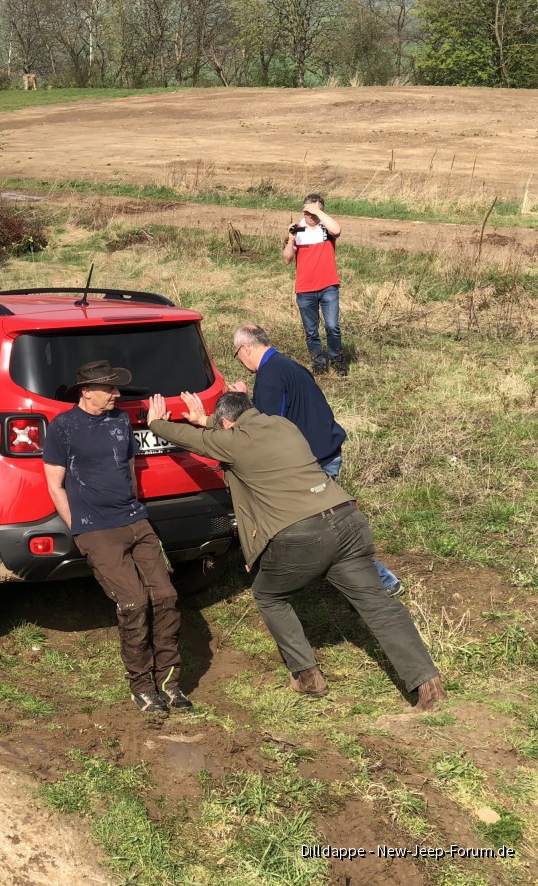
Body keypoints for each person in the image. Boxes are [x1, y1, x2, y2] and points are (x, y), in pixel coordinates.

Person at [146, 391, 446, 711]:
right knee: (380, 606)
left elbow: (195, 441)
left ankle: (307, 675)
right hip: (347, 520)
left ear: (227, 424)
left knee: (269, 596)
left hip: (303, 535)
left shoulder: (234, 443)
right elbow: (234, 430)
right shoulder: (283, 425)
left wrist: (155, 423)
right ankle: (429, 685)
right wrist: (207, 419)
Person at [43, 361, 192, 716]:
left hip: (135, 521)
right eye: (109, 389)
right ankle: (142, 687)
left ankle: (170, 685)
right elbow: (54, 484)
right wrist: (79, 527)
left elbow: (127, 467)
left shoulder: (120, 420)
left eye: (116, 388)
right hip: (96, 528)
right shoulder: (63, 427)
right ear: (86, 391)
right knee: (133, 602)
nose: (117, 394)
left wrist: (135, 505)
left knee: (166, 596)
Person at [227, 323, 402, 596]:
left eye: (236, 353)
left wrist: (242, 407)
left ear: (246, 348)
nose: (239, 359)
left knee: (330, 527)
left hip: (313, 461)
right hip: (325, 450)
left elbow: (267, 430)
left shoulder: (270, 376)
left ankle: (382, 581)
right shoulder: (288, 365)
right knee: (326, 523)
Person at [283, 193, 346, 376]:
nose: (310, 216)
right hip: (305, 289)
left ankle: (337, 360)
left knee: (332, 326)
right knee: (311, 331)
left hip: (328, 286)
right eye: (307, 212)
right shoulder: (297, 230)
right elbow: (287, 259)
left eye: (314, 212)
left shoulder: (326, 228)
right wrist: (291, 240)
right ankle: (318, 364)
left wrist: (318, 212)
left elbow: (337, 230)